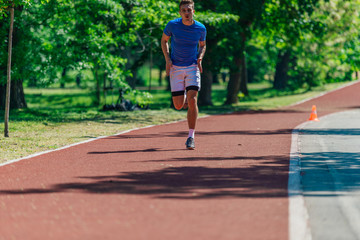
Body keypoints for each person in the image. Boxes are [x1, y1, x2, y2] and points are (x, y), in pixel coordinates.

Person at [161, 0, 206, 150]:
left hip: (192, 66)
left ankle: (191, 137)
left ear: (194, 11)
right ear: (180, 13)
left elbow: (203, 45)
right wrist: (167, 60)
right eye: (184, 10)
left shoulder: (200, 28)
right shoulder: (172, 25)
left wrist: (200, 58)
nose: (187, 13)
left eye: (189, 10)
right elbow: (164, 41)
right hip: (176, 68)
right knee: (179, 105)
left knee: (193, 100)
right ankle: (184, 96)